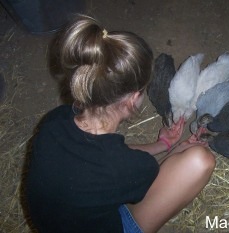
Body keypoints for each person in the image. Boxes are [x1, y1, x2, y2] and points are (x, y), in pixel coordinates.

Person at [25, 14, 215, 233]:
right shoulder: (130, 169)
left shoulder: (54, 120)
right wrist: (178, 150)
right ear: (134, 98)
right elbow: (120, 165)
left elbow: (104, 157)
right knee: (202, 161)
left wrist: (164, 144)